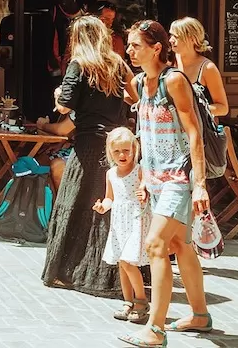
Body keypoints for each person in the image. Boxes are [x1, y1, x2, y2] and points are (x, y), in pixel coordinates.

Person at [121, 21, 211, 347]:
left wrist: (199, 184)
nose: (129, 51)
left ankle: (155, 330)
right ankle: (199, 314)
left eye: (135, 46)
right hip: (156, 180)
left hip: (179, 178)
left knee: (156, 244)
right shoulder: (138, 82)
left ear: (156, 48)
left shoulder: (173, 81)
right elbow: (144, 132)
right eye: (129, 45)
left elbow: (193, 132)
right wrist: (143, 175)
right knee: (180, 246)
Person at [42, 16, 137, 299]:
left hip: (85, 147)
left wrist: (60, 93)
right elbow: (135, 96)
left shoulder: (79, 65)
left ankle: (72, 270)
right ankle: (111, 275)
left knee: (76, 204)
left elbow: (63, 107)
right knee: (110, 209)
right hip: (114, 146)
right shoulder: (117, 63)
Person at [93, 127, 150, 326]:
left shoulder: (140, 170)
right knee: (121, 264)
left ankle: (141, 301)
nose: (122, 155)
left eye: (126, 150)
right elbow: (110, 197)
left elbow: (145, 192)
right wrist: (103, 207)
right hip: (119, 222)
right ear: (110, 152)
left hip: (136, 218)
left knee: (128, 261)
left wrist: (144, 195)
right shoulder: (110, 174)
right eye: (117, 151)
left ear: (135, 149)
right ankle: (128, 301)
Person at [170, 17, 228, 120]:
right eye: (171, 35)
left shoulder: (207, 68)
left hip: (199, 131)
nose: (171, 40)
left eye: (176, 36)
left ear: (192, 38)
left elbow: (223, 108)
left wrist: (195, 110)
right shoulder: (169, 65)